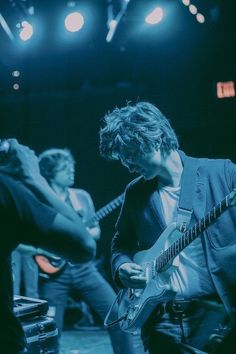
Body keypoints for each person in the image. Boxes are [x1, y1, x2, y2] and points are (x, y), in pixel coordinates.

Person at [99, 101, 236, 354]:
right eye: (123, 159)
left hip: (218, 317)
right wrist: (122, 267)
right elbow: (122, 243)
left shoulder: (223, 173)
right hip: (161, 320)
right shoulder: (136, 192)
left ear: (155, 139)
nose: (128, 165)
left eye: (131, 154)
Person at [38, 148, 142, 354]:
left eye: (72, 166)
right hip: (53, 274)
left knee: (118, 314)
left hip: (84, 269)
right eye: (64, 168)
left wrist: (81, 233)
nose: (71, 171)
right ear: (50, 172)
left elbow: (95, 231)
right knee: (49, 329)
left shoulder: (81, 197)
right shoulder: (40, 199)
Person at [0, 139, 96, 354]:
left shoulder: (81, 197)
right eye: (65, 168)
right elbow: (84, 247)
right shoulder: (8, 190)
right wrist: (33, 177)